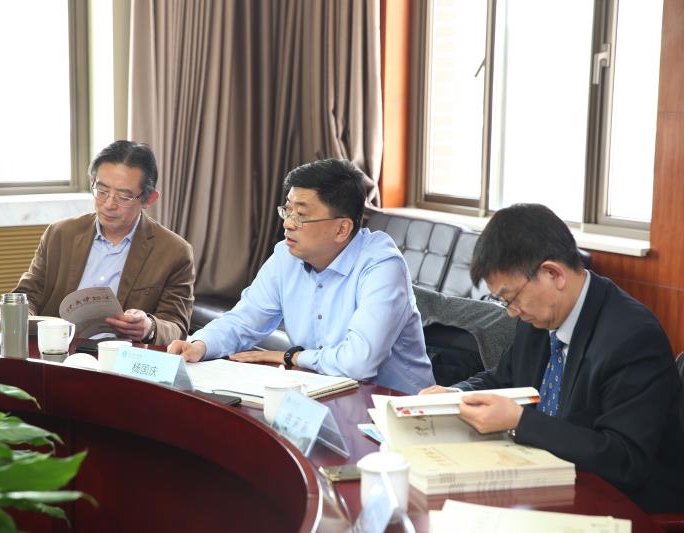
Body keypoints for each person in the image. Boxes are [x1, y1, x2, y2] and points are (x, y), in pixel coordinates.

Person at [420, 203, 684, 513]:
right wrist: (456, 394)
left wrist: (520, 421)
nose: (511, 312)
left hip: (621, 505)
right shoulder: (538, 318)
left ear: (553, 273)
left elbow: (623, 459)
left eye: (512, 297)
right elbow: (503, 378)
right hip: (544, 482)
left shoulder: (632, 337)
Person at [168, 159, 434, 393]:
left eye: (301, 215)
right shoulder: (286, 256)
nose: (287, 223)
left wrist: (292, 356)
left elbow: (358, 363)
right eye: (287, 210)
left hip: (395, 410)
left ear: (342, 229)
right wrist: (200, 345)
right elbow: (244, 320)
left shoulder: (381, 265)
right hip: (319, 395)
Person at [12, 140, 194, 345]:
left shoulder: (174, 251)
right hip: (58, 350)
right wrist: (23, 317)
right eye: (102, 191)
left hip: (122, 354)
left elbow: (177, 326)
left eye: (124, 196)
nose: (109, 204)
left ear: (149, 198)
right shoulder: (60, 234)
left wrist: (150, 327)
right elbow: (27, 295)